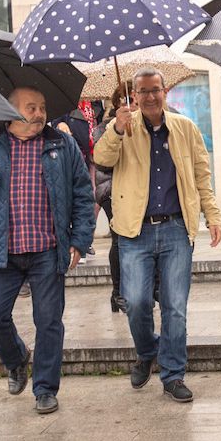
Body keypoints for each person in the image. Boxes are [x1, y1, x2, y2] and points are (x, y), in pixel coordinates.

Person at [0, 87, 95, 415]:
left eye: (42, 106)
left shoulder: (61, 144)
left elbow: (82, 193)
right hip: (2, 249)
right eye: (31, 107)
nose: (38, 114)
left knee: (49, 320)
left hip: (48, 248)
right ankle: (17, 359)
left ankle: (45, 388)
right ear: (10, 111)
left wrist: (80, 240)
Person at [94, 66, 221, 403]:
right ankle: (146, 350)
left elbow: (201, 174)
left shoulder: (185, 127)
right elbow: (101, 160)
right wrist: (117, 131)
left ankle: (173, 374)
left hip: (176, 228)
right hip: (134, 232)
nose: (150, 96)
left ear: (165, 92)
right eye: (143, 91)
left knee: (174, 306)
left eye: (155, 90)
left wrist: (213, 215)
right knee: (135, 302)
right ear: (133, 95)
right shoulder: (121, 127)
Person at [94, 84, 129, 313]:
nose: (132, 107)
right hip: (110, 190)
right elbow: (102, 162)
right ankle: (118, 292)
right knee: (119, 239)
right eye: (127, 102)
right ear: (117, 105)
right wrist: (119, 133)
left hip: (132, 192)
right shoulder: (104, 128)